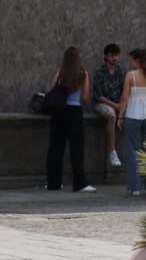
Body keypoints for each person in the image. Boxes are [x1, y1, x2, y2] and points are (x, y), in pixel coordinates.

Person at [45, 46, 96, 193]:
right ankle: (79, 183)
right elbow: (85, 96)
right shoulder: (83, 74)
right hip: (74, 112)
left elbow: (52, 89)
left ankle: (54, 182)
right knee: (76, 149)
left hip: (59, 112)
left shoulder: (61, 72)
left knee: (56, 148)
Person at [117, 47, 146, 196]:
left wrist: (120, 116)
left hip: (133, 114)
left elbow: (124, 98)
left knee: (133, 151)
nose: (130, 63)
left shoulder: (131, 76)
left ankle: (135, 188)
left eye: (131, 60)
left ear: (138, 61)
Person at [92, 42, 125, 167]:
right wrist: (114, 105)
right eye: (112, 55)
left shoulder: (122, 72)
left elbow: (125, 92)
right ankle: (112, 152)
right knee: (111, 115)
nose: (115, 58)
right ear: (106, 56)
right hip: (102, 103)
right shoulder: (100, 72)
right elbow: (98, 95)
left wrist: (121, 106)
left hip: (119, 103)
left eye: (116, 55)